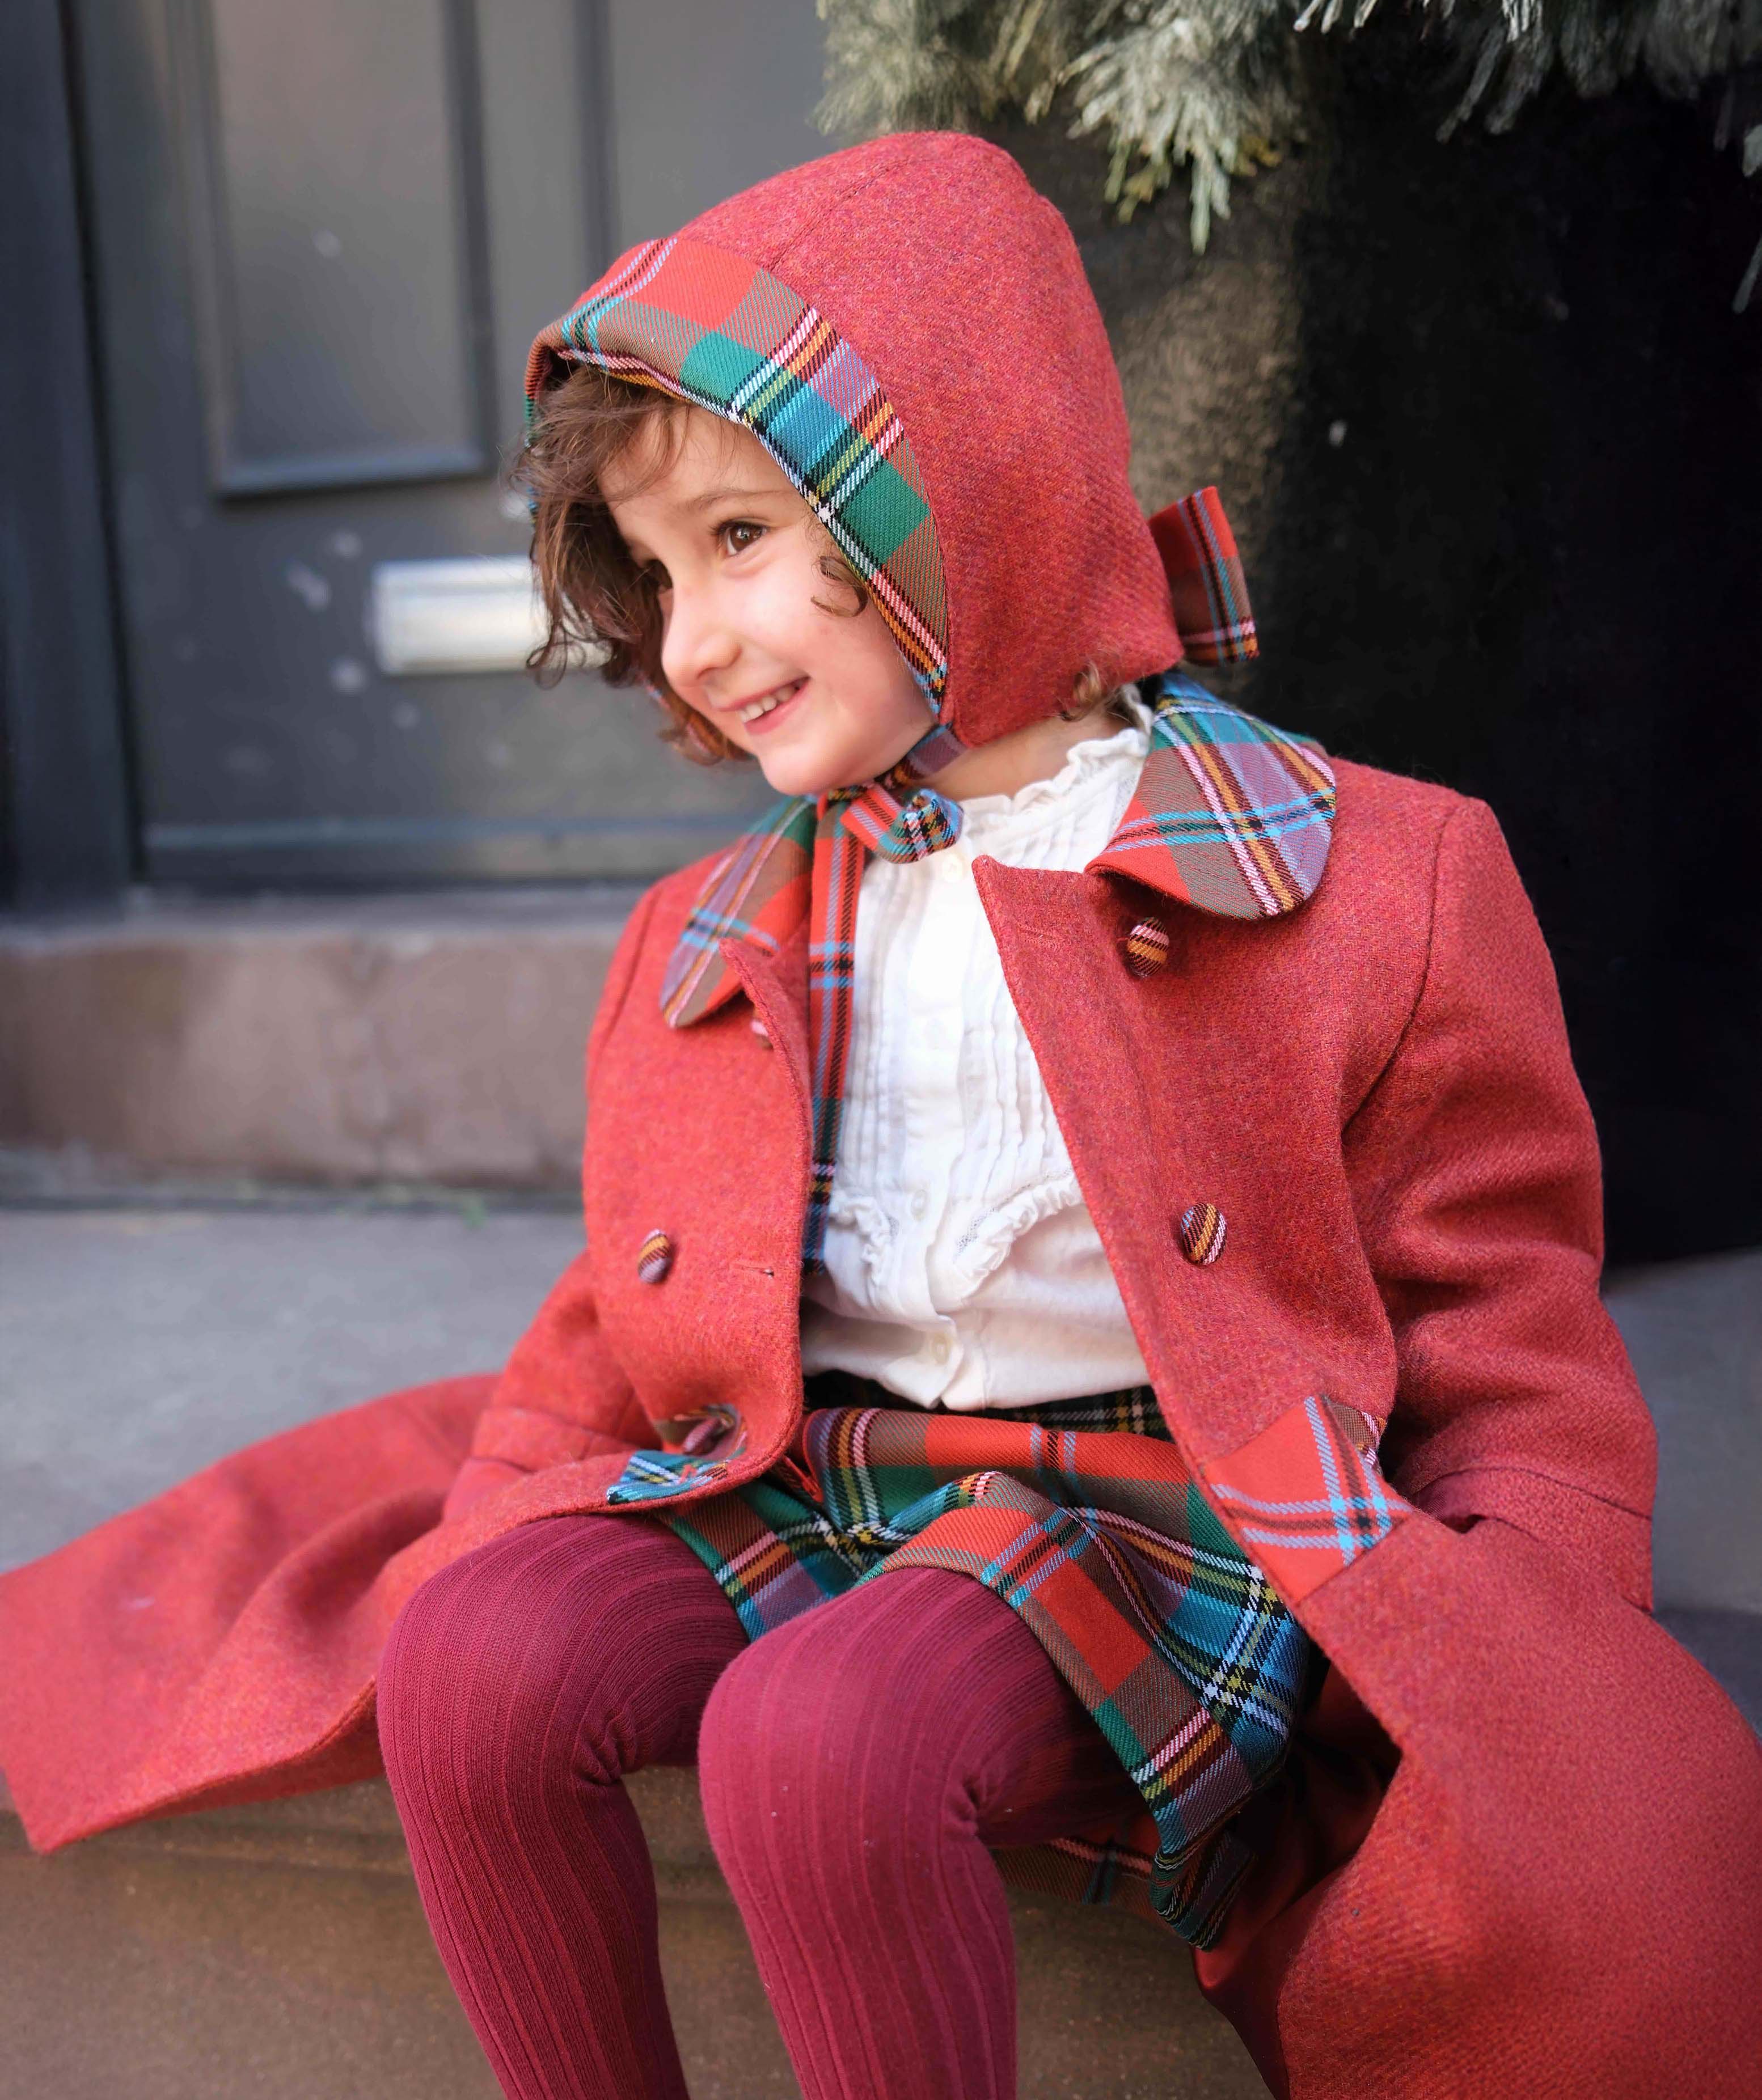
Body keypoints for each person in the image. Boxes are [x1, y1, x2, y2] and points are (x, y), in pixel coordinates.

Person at [2, 133, 1759, 2100]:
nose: (691, 641)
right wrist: (508, 1507)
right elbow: (616, 1310)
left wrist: (1530, 1654)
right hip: (806, 1467)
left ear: (961, 489)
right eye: (658, 577)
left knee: (822, 1739)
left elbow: (1499, 1319)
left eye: (741, 540)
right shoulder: (715, 928)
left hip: (1155, 1516)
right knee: (472, 1660)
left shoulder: (1377, 883)